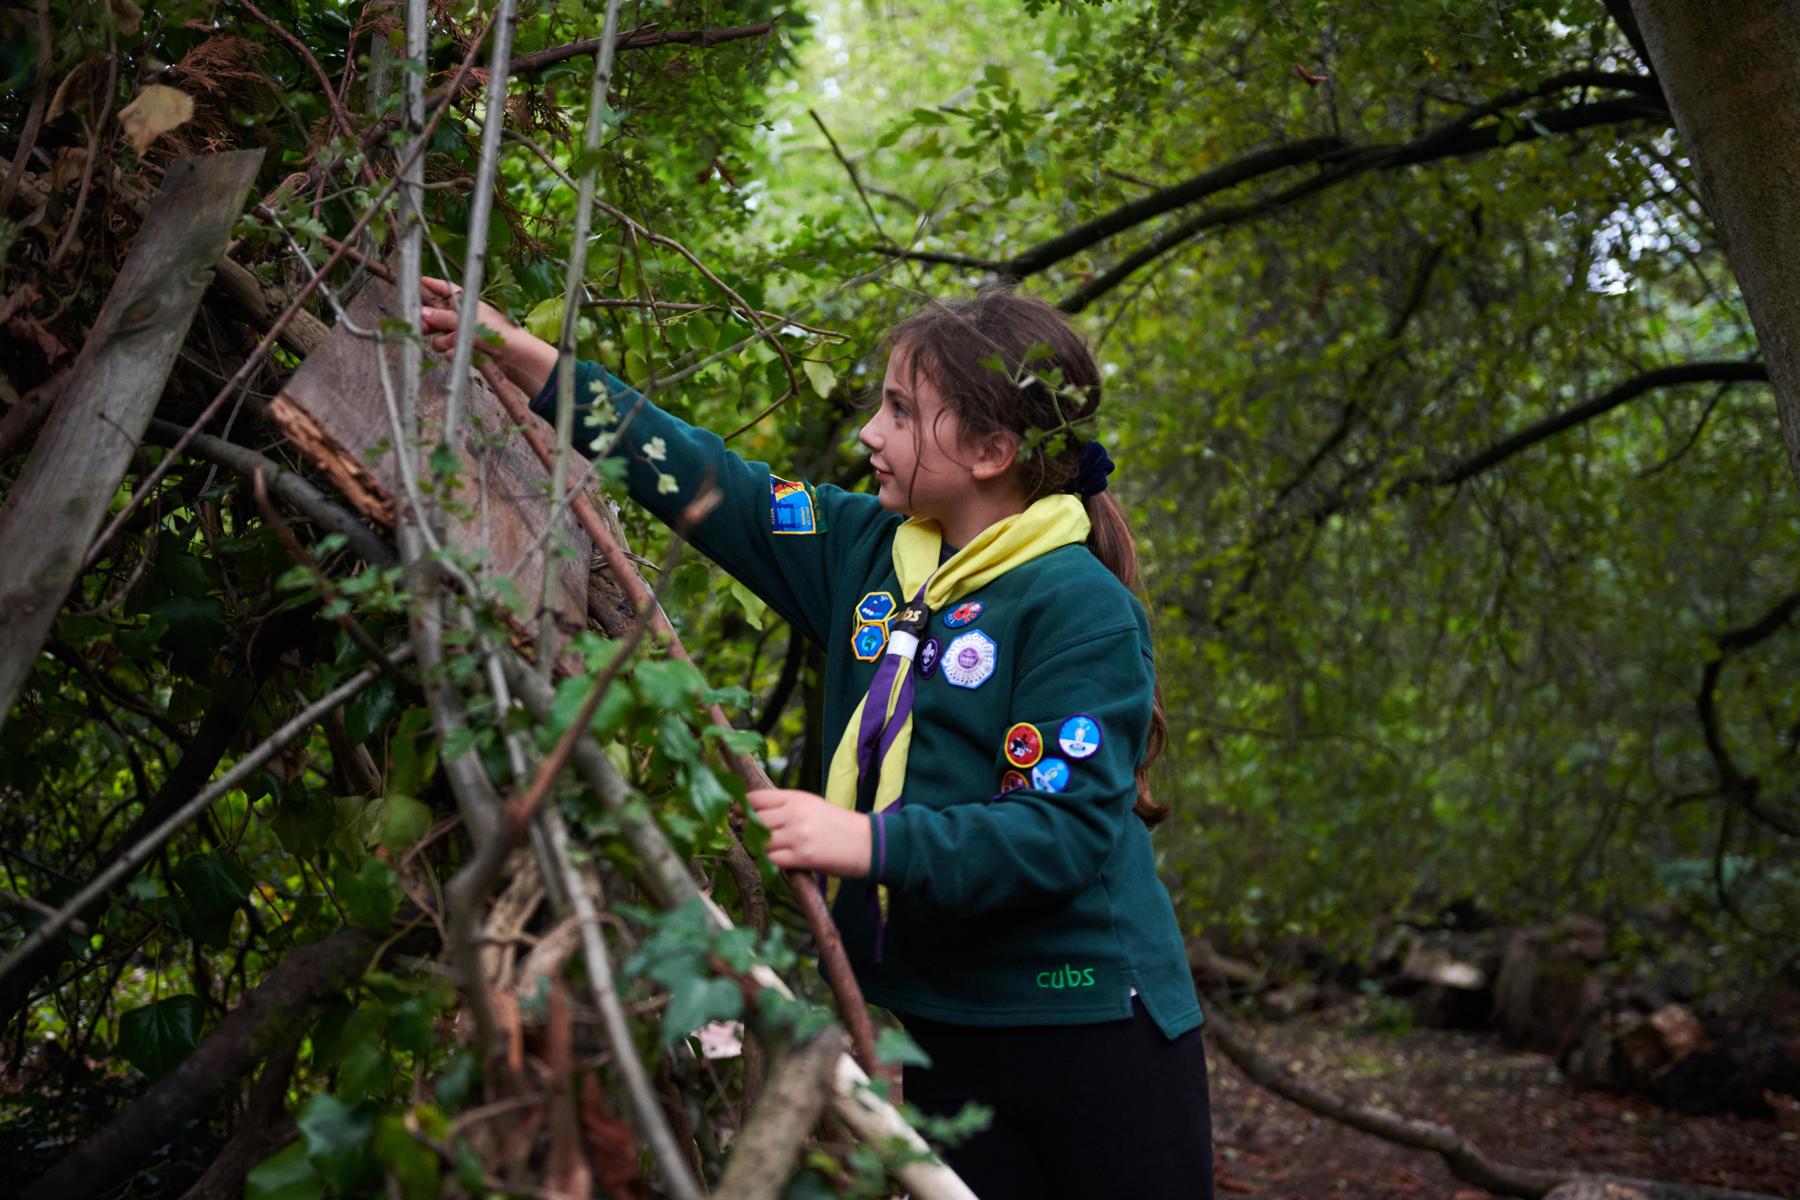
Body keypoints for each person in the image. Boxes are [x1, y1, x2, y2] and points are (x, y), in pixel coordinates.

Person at [419, 281, 1215, 1200]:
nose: (871, 433)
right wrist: (525, 359)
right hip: (945, 1021)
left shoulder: (1078, 609)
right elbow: (709, 480)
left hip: (1089, 1025)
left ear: (994, 451)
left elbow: (1058, 834)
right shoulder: (862, 547)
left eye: (903, 413)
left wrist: (867, 842)